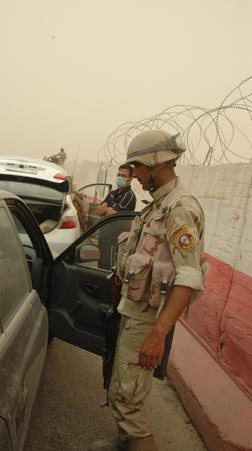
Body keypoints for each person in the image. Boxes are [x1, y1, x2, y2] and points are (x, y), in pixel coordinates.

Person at [89, 130, 208, 451]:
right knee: (120, 389)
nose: (134, 175)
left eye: (138, 167)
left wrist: (158, 334)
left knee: (127, 399)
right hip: (132, 311)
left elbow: (188, 278)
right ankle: (126, 442)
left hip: (148, 321)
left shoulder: (179, 209)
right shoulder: (155, 207)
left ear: (156, 164)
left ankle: (137, 442)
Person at [95, 164, 136, 270]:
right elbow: (98, 211)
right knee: (101, 264)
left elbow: (115, 215)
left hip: (116, 240)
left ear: (130, 179)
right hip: (104, 235)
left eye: (124, 176)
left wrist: (107, 209)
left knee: (110, 267)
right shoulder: (112, 193)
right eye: (119, 175)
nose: (120, 178)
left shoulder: (129, 195)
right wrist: (107, 210)